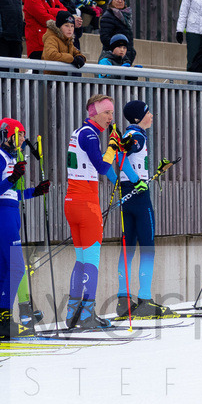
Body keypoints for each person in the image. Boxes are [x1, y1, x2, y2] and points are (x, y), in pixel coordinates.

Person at [64, 94, 141, 329]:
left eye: (112, 113)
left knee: (81, 260)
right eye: (107, 112)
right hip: (86, 203)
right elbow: (102, 166)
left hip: (73, 201)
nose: (111, 117)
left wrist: (116, 148)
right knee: (92, 260)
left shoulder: (80, 132)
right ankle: (86, 314)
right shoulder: (89, 134)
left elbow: (103, 168)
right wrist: (112, 146)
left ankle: (73, 313)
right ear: (94, 112)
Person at [115, 100, 177, 319]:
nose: (151, 115)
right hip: (139, 196)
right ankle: (144, 300)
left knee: (127, 246)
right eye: (147, 112)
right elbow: (120, 156)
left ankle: (123, 301)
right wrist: (136, 179)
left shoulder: (131, 134)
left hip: (126, 193)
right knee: (148, 246)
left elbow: (119, 157)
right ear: (136, 118)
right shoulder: (138, 135)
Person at [0, 118, 51, 340]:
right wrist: (12, 178)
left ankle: (4, 321)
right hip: (4, 216)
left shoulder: (10, 158)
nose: (23, 139)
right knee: (17, 268)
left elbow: (13, 193)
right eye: (19, 134)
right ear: (8, 135)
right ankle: (4, 320)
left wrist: (35, 192)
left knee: (5, 270)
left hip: (10, 212)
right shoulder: (1, 158)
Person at [99, 0, 135, 64]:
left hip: (126, 56)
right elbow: (105, 37)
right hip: (112, 56)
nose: (120, 1)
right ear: (111, 2)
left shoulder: (127, 16)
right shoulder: (107, 16)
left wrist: (131, 52)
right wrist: (117, 47)